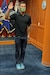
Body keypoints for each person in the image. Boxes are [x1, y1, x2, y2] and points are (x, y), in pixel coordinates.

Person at [5, 1, 31, 70]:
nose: (23, 8)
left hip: (24, 37)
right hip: (18, 37)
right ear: (19, 7)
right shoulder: (16, 15)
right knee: (18, 51)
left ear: (26, 7)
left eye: (24, 6)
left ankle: (21, 62)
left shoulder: (28, 17)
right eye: (22, 6)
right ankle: (17, 62)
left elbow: (28, 26)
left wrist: (28, 35)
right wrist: (8, 9)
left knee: (23, 51)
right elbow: (6, 17)